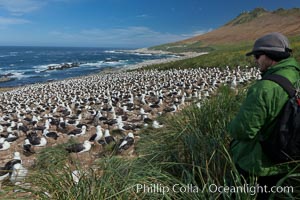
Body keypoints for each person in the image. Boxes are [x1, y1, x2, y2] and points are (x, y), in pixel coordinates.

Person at [227, 32, 300, 199]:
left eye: (258, 55)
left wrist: (230, 126)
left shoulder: (265, 88)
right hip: (290, 158)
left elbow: (243, 131)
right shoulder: (297, 76)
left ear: (270, 56)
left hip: (260, 164)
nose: (256, 60)